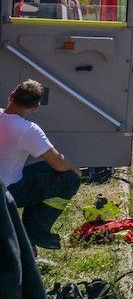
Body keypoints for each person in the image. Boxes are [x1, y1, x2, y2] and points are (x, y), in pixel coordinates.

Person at [1, 80, 81, 250]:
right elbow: (58, 163)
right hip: (6, 193)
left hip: (7, 187)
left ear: (10, 96)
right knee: (69, 178)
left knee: (43, 172)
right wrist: (76, 171)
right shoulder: (27, 129)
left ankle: (28, 232)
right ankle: (34, 230)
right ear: (35, 107)